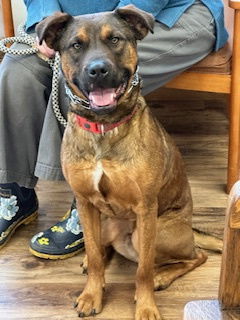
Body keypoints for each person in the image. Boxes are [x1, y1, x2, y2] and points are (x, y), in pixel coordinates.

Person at [0, 0, 228, 259]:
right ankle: (16, 191)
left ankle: (85, 201)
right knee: (15, 72)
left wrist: (124, 18)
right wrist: (49, 19)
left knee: (81, 86)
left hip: (165, 12)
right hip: (76, 22)